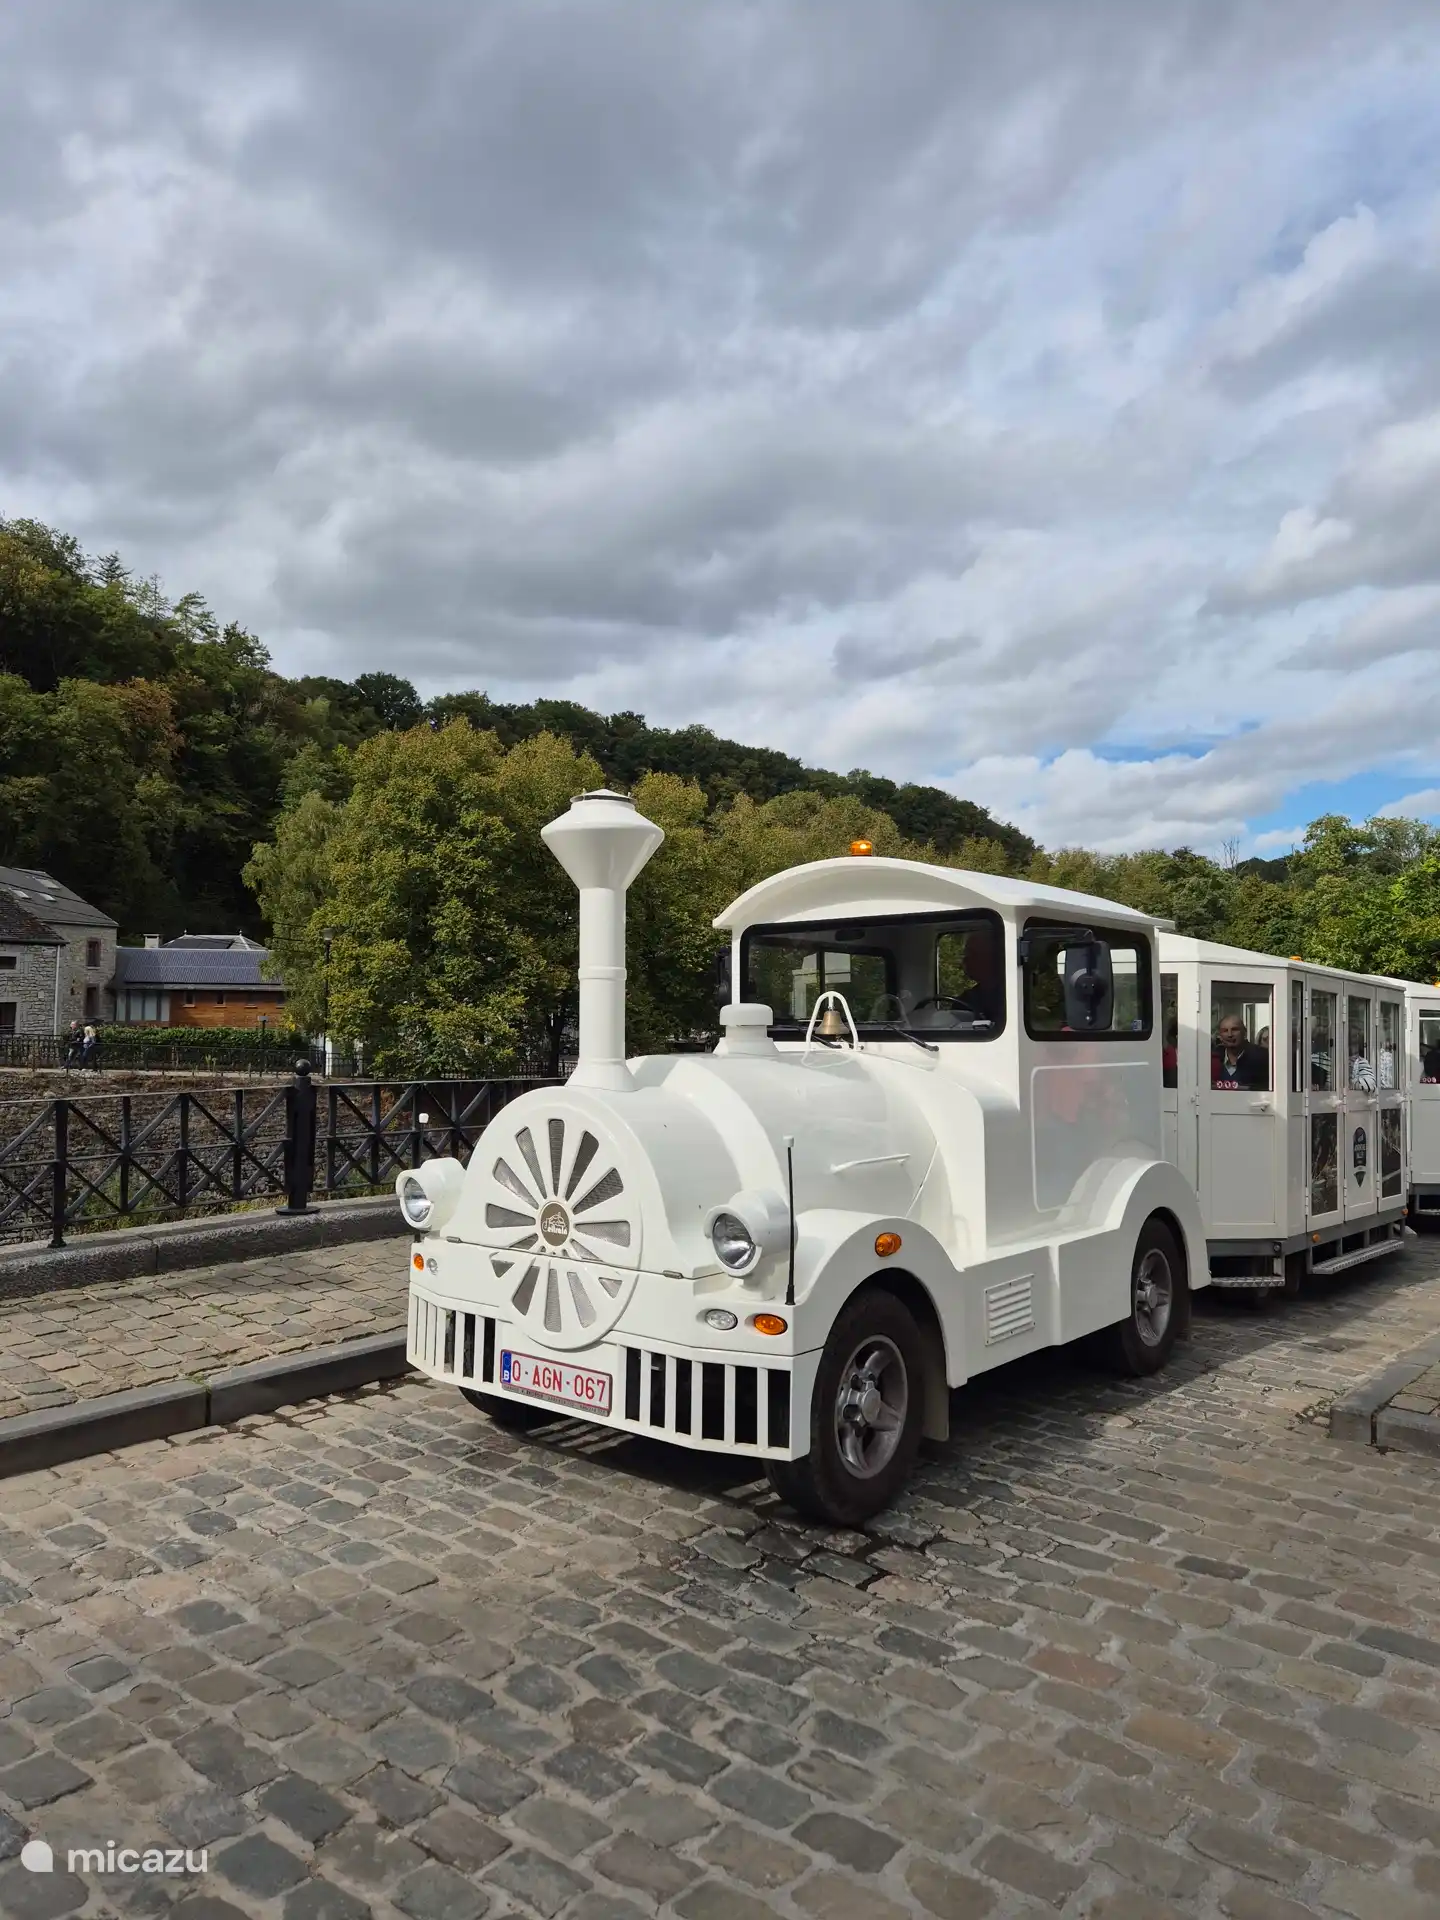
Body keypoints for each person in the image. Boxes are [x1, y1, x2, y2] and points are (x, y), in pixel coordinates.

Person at [1212, 1014, 1268, 1090]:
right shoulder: (1213, 1058)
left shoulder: (1263, 1057)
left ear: (1244, 1032)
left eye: (1234, 1029)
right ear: (1220, 1036)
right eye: (1225, 1031)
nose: (1230, 1035)